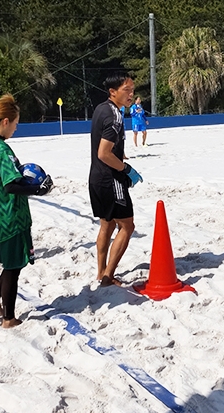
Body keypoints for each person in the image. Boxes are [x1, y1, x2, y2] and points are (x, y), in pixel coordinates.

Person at [0, 94, 54, 328]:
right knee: (14, 268)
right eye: (15, 123)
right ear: (5, 121)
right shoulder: (1, 149)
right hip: (10, 216)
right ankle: (8, 318)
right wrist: (38, 188)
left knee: (11, 263)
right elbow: (10, 185)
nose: (16, 128)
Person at [89, 72, 143, 287]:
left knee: (107, 225)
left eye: (132, 90)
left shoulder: (101, 109)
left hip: (96, 176)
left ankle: (101, 272)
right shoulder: (115, 116)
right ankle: (108, 277)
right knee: (127, 226)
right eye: (126, 90)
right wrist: (126, 169)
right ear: (113, 92)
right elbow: (104, 153)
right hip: (110, 179)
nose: (131, 94)